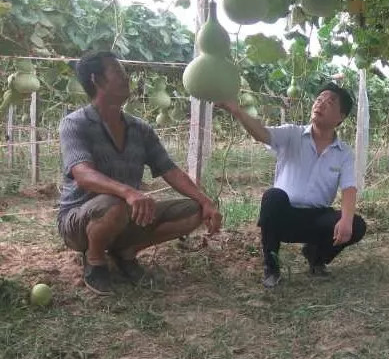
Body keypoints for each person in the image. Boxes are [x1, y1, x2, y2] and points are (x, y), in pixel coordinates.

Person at [57, 51, 222, 295]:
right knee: (116, 203)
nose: (127, 78)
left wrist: (206, 201)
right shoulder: (75, 123)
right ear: (97, 80)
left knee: (195, 211)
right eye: (118, 72)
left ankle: (126, 251)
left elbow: (170, 171)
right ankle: (95, 260)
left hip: (127, 214)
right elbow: (82, 173)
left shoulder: (140, 129)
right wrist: (128, 192)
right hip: (79, 222)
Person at [219, 83, 366, 288]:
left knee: (357, 225)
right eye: (319, 99)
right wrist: (236, 111)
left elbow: (349, 188)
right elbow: (261, 133)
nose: (320, 104)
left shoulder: (344, 153)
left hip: (317, 218)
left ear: (340, 117)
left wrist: (347, 220)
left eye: (329, 102)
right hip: (284, 217)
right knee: (273, 196)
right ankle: (271, 266)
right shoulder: (291, 134)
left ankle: (316, 257)